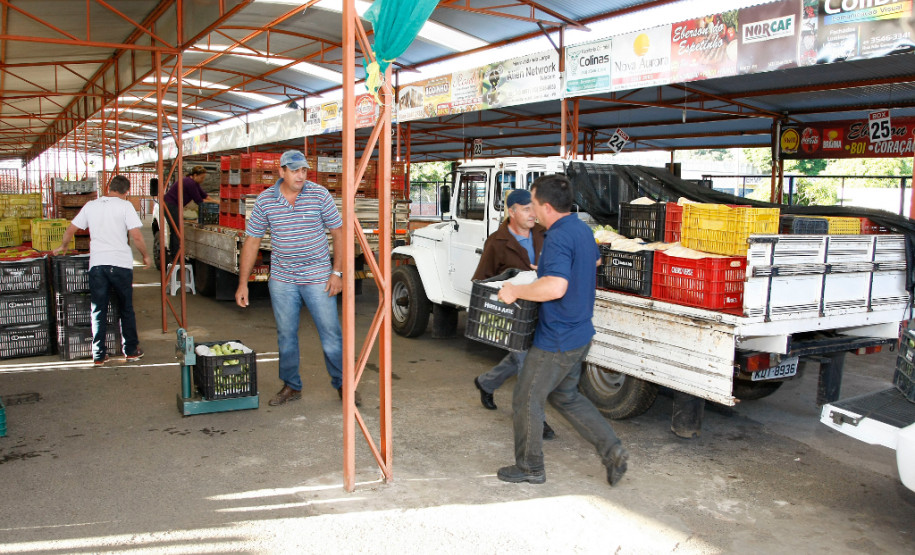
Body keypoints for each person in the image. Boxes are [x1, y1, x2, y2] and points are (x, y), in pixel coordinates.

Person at [495, 174, 628, 487]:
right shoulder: (581, 228)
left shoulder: (555, 237)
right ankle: (613, 450)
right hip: (581, 333)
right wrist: (545, 270)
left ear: (548, 206)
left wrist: (515, 290)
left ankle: (529, 467)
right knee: (566, 397)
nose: (533, 211)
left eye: (534, 204)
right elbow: (592, 262)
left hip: (557, 337)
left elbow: (555, 288)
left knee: (527, 397)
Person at [235, 150, 360, 407]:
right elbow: (252, 241)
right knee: (286, 334)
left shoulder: (319, 194)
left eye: (304, 170)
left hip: (318, 276)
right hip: (282, 278)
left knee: (331, 333)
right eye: (295, 171)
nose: (301, 175)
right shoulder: (265, 200)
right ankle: (292, 385)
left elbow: (339, 233)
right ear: (281, 172)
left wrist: (337, 272)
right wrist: (242, 283)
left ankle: (344, 384)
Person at [471, 188, 556, 440]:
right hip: (515, 315)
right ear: (512, 211)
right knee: (529, 367)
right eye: (526, 209)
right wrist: (509, 281)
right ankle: (536, 420)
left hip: (543, 309)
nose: (533, 214)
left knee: (519, 360)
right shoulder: (496, 242)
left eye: (535, 208)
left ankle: (486, 382)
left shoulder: (544, 233)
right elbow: (481, 280)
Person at [53, 174, 151, 365]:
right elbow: (137, 236)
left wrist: (64, 246)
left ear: (109, 188)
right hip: (120, 264)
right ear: (126, 192)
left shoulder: (91, 205)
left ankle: (98, 354)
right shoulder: (125, 206)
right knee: (126, 308)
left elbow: (71, 229)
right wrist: (145, 255)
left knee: (98, 309)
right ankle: (130, 350)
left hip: (97, 265)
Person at [163, 165, 216, 264]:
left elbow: (203, 194)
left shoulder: (194, 182)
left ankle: (175, 254)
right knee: (177, 230)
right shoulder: (189, 183)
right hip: (170, 205)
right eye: (201, 177)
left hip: (173, 205)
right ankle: (175, 256)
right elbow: (199, 200)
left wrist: (215, 201)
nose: (202, 180)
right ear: (195, 175)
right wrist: (215, 203)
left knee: (176, 230)